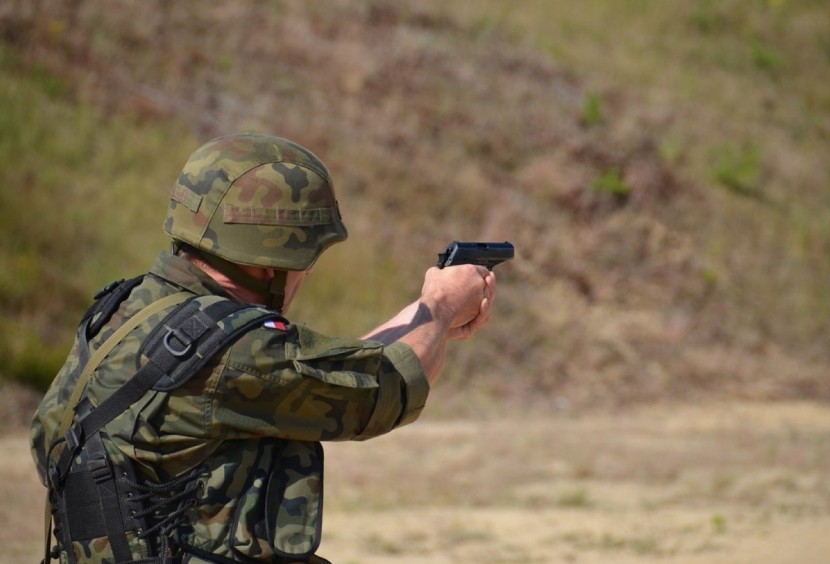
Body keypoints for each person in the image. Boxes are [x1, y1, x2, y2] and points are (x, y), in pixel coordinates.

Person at [30, 133, 497, 563]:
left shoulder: (127, 312)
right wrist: (439, 307)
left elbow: (329, 373)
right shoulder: (230, 352)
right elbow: (382, 389)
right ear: (273, 263)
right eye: (307, 259)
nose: (308, 273)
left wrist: (425, 318)